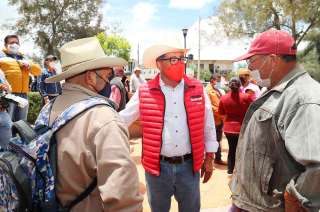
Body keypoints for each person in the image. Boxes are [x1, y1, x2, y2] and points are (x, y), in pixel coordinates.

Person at [44, 37, 143, 211]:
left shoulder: (47, 108)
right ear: (90, 77)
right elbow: (123, 198)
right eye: (106, 76)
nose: (108, 82)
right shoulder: (104, 118)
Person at [229, 29, 320, 211]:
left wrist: (295, 198)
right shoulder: (280, 90)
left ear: (272, 60)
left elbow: (316, 166)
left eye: (251, 61)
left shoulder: (303, 98)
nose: (250, 68)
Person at [120, 44, 218, 212]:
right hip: (157, 169)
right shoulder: (145, 91)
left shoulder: (197, 88)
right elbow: (122, 118)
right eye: (173, 59)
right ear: (159, 63)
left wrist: (209, 157)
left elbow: (208, 125)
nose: (179, 63)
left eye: (182, 59)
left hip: (189, 167)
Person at [0, 34, 41, 121]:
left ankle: (18, 135)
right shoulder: (1, 56)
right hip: (8, 95)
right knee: (7, 121)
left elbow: (38, 71)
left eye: (16, 42)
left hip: (23, 95)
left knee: (21, 122)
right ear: (5, 45)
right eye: (12, 42)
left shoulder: (24, 57)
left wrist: (29, 66)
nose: (15, 44)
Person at [218, 78, 252, 174]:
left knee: (231, 149)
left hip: (228, 128)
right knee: (241, 149)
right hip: (242, 128)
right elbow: (253, 110)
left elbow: (221, 113)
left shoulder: (224, 98)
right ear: (240, 85)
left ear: (229, 86)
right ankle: (239, 172)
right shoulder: (246, 97)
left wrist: (226, 122)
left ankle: (230, 170)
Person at [206, 74, 226, 165]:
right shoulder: (208, 90)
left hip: (219, 119)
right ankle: (211, 159)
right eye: (217, 80)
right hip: (213, 119)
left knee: (218, 139)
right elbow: (209, 106)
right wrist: (221, 114)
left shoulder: (216, 89)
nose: (217, 82)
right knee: (212, 139)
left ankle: (217, 158)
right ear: (212, 80)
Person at [0, 70, 12, 147]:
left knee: (7, 125)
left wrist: (6, 88)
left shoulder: (1, 72)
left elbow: (9, 89)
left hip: (2, 112)